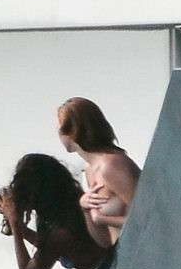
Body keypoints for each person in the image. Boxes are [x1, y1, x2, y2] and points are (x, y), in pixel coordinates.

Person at [0, 153, 109, 269]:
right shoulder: (72, 207)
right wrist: (22, 231)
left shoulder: (61, 231)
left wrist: (14, 222)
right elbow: (50, 249)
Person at [57, 97, 140, 250]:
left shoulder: (112, 166)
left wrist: (105, 219)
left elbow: (149, 218)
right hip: (122, 257)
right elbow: (104, 241)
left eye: (60, 129)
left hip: (145, 254)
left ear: (71, 132)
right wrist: (85, 208)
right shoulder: (89, 169)